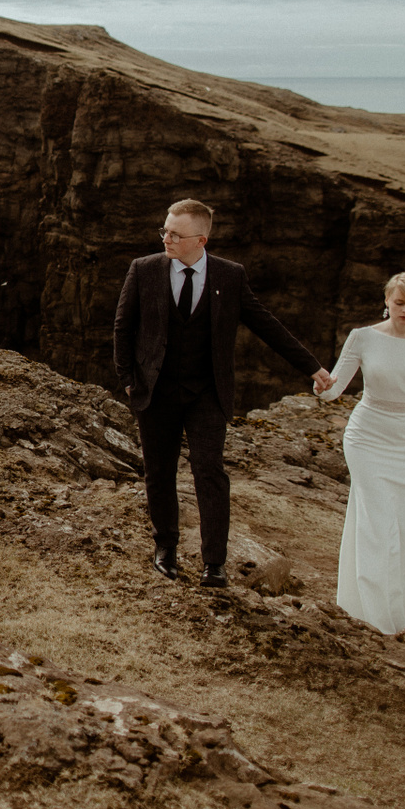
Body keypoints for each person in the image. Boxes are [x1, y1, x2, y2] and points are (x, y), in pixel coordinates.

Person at [113, 199, 334, 587]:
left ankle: (214, 563)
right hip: (155, 391)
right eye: (164, 230)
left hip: (207, 394)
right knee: (159, 472)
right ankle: (165, 548)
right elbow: (122, 326)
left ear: (201, 240)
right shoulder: (143, 269)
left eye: (175, 234)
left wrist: (311, 367)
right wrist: (129, 379)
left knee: (209, 473)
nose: (166, 238)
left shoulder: (230, 276)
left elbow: (266, 324)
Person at [314, 272, 405, 635]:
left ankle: (402, 607)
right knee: (376, 524)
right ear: (387, 301)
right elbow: (335, 388)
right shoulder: (363, 337)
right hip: (367, 438)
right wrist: (320, 385)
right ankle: (375, 615)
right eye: (399, 302)